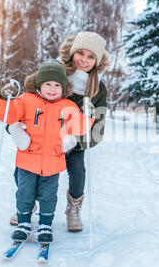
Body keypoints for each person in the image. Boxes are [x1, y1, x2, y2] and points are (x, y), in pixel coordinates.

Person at [9, 31, 109, 233]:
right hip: (41, 135)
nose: (84, 60)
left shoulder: (97, 88)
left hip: (73, 139)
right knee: (23, 169)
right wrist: (16, 127)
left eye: (91, 56)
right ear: (72, 52)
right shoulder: (53, 73)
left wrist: (72, 141)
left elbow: (97, 127)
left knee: (77, 169)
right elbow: (26, 101)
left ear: (97, 61)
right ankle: (28, 203)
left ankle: (73, 208)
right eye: (80, 53)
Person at [0, 59, 94, 243]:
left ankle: (45, 224)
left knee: (49, 196)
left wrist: (89, 116)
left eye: (57, 85)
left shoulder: (67, 106)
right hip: (27, 160)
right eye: (48, 83)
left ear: (64, 87)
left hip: (53, 162)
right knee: (24, 194)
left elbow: (79, 128)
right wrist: (3, 97)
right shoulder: (26, 100)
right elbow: (7, 115)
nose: (52, 88)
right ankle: (24, 223)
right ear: (39, 83)